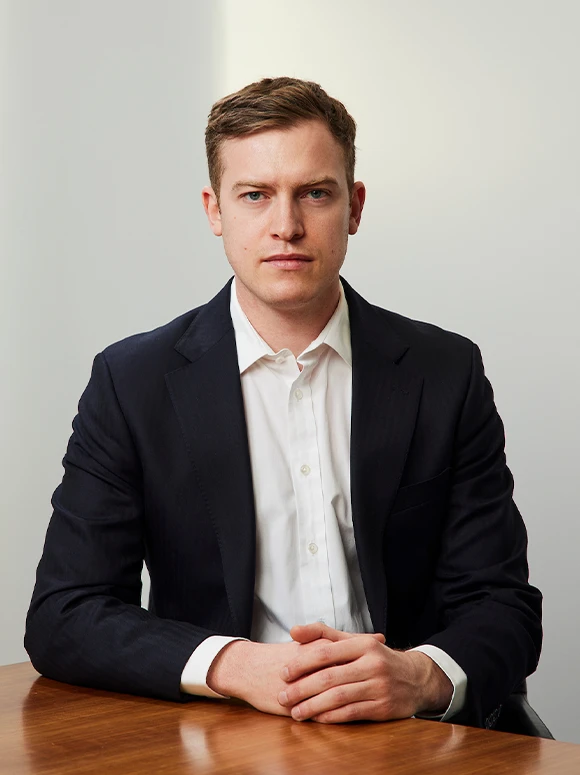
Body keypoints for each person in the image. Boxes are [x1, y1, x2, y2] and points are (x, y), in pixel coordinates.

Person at [25, 77, 542, 728]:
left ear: (354, 206)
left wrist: (418, 676)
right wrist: (235, 664)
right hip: (220, 735)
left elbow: (503, 605)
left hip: (408, 735)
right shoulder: (132, 383)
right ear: (215, 211)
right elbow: (66, 612)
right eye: (255, 195)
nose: (286, 226)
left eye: (315, 193)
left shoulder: (444, 373)